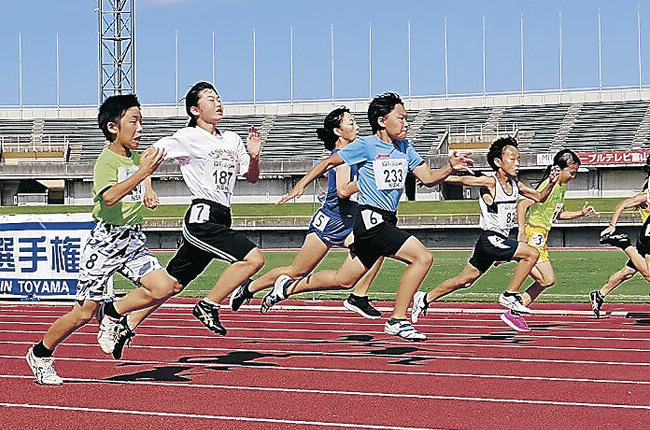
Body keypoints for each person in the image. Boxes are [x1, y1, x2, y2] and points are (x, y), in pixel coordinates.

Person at [262, 91, 473, 341]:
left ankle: (287, 287)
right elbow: (328, 163)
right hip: (370, 220)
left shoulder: (406, 147)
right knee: (422, 258)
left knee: (344, 280)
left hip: (387, 219)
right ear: (383, 121)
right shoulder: (367, 145)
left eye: (407, 118)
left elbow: (427, 179)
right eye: (401, 118)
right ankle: (398, 319)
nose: (406, 123)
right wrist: (301, 185)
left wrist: (449, 167)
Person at [25, 94, 180, 385]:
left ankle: (112, 311)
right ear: (113, 127)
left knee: (165, 287)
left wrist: (148, 186)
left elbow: (139, 170)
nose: (140, 129)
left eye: (141, 122)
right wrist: (143, 174)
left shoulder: (136, 157)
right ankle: (40, 353)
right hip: (105, 241)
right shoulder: (105, 161)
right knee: (83, 313)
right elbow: (108, 197)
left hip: (132, 239)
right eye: (133, 122)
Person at [228, 107, 384, 318]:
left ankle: (359, 297)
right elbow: (344, 190)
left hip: (350, 222)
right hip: (332, 222)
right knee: (296, 271)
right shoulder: (340, 156)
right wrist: (370, 179)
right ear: (338, 131)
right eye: (351, 122)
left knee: (379, 246)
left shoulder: (354, 153)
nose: (357, 126)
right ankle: (248, 288)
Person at [138, 81, 263, 337]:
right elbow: (147, 155)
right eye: (210, 99)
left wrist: (254, 157)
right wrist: (147, 189)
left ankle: (126, 324)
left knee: (171, 284)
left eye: (218, 98)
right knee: (253, 259)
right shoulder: (188, 137)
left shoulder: (232, 139)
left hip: (222, 216)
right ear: (195, 110)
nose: (218, 103)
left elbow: (250, 177)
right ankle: (208, 305)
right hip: (201, 216)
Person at [410, 137, 561, 332]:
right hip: (490, 238)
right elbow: (462, 179)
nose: (517, 163)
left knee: (464, 281)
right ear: (498, 162)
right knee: (531, 253)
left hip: (498, 241)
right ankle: (510, 294)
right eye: (512, 158)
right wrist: (431, 178)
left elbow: (539, 197)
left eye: (519, 159)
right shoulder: (490, 181)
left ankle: (424, 298)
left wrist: (551, 182)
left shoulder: (516, 185)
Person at [516, 149, 594, 307]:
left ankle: (517, 306)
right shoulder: (549, 186)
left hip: (542, 236)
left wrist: (581, 213)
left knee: (548, 280)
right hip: (533, 234)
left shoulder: (562, 187)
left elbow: (560, 215)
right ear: (560, 169)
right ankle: (515, 255)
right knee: (546, 279)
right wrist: (522, 231)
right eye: (571, 172)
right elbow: (522, 205)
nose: (573, 177)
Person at [589, 156, 650, 318]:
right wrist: (612, 225)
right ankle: (624, 244)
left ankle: (599, 294)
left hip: (645, 239)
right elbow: (622, 204)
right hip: (647, 240)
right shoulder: (645, 196)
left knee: (627, 272)